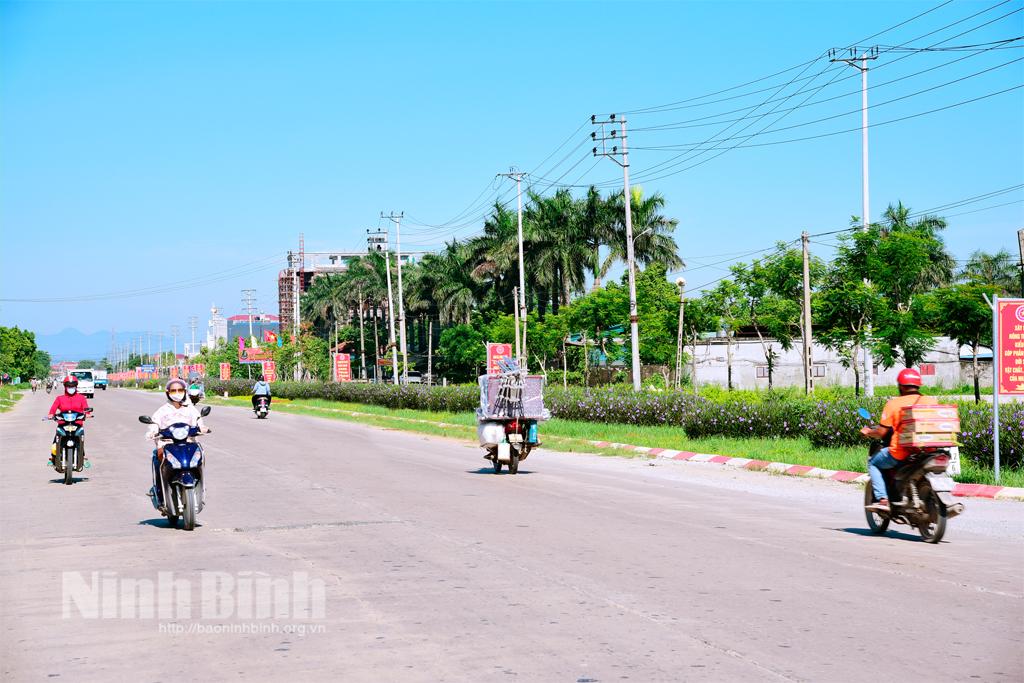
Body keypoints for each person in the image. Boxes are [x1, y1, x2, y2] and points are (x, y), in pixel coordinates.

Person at [859, 368, 936, 513]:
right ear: (918, 385)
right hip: (929, 450)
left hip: (902, 452)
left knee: (873, 463)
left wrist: (869, 431)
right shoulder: (931, 401)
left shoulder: (893, 404)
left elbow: (882, 432)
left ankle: (883, 499)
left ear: (900, 386)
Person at [145, 378, 209, 508]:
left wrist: (202, 427)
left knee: (201, 456)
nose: (177, 392)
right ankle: (160, 493)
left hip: (188, 443)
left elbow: (198, 421)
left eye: (180, 390)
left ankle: (201, 489)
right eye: (173, 390)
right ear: (168, 392)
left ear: (185, 391)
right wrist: (153, 432)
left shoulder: (190, 409)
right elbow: (154, 423)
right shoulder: (162, 411)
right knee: (159, 458)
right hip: (167, 443)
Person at [47, 376, 91, 469]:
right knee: (56, 439)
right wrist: (51, 414)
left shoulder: (81, 398)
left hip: (77, 424)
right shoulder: (60, 398)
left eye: (73, 385)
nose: (71, 388)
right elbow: (53, 408)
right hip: (63, 424)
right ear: (65, 386)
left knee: (80, 440)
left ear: (76, 386)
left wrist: (87, 414)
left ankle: (83, 457)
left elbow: (86, 408)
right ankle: (53, 457)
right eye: (69, 386)